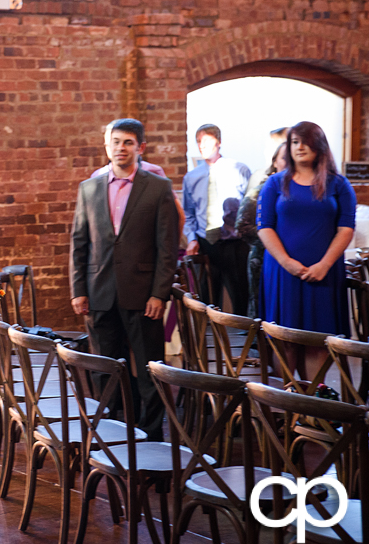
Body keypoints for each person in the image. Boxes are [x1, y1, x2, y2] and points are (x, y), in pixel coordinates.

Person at [70, 118, 179, 441]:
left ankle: (152, 435)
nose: (121, 148)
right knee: (105, 370)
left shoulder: (158, 188)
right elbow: (79, 242)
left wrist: (159, 294)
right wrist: (78, 289)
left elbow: (167, 247)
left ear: (140, 148)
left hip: (144, 294)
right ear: (107, 145)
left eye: (128, 142)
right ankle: (109, 433)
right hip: (99, 291)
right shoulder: (88, 189)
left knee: (149, 369)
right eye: (116, 141)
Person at [257, 121, 355, 336]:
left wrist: (324, 265)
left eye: (306, 142)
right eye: (295, 142)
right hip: (283, 270)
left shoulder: (339, 184)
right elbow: (264, 227)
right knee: (284, 339)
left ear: (319, 146)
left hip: (324, 272)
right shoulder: (274, 183)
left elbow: (346, 228)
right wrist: (287, 262)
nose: (300, 147)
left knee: (319, 340)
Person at [183, 124, 252, 314]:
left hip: (234, 244)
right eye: (198, 142)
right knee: (206, 302)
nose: (201, 146)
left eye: (206, 140)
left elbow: (250, 208)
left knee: (241, 298)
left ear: (219, 142)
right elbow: (189, 213)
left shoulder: (239, 170)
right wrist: (192, 239)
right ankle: (208, 343)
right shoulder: (192, 177)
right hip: (206, 245)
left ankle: (244, 341)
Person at [236, 133, 288, 318]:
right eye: (284, 158)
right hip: (262, 257)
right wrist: (274, 238)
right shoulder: (260, 190)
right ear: (275, 162)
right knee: (262, 308)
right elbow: (242, 226)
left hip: (291, 258)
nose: (289, 162)